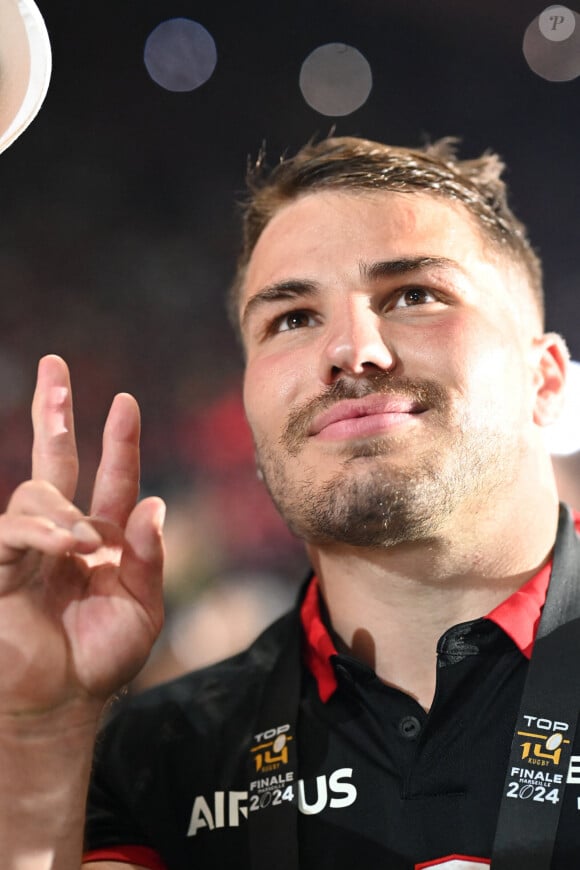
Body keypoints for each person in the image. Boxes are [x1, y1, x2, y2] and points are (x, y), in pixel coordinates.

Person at [3, 134, 580, 870]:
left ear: (547, 380)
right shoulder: (157, 761)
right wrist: (37, 737)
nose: (351, 348)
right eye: (293, 318)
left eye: (413, 295)